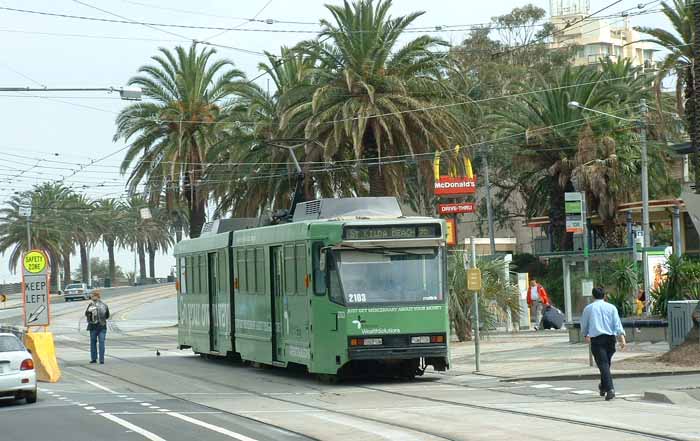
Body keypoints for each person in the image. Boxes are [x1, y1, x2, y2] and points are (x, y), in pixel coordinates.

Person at [580, 287, 626, 401]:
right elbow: (617, 323)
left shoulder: (588, 309)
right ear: (604, 295)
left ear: (593, 296)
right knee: (606, 363)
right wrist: (622, 338)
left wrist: (585, 334)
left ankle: (610, 389)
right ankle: (603, 386)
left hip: (597, 340)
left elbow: (584, 324)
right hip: (610, 339)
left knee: (604, 364)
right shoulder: (612, 308)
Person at [85, 291, 110, 364]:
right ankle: (100, 359)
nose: (92, 297)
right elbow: (107, 315)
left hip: (95, 327)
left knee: (94, 342)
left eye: (93, 296)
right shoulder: (103, 305)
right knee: (100, 342)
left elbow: (86, 314)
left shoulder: (92, 305)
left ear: (97, 297)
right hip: (100, 326)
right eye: (92, 296)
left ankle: (95, 358)